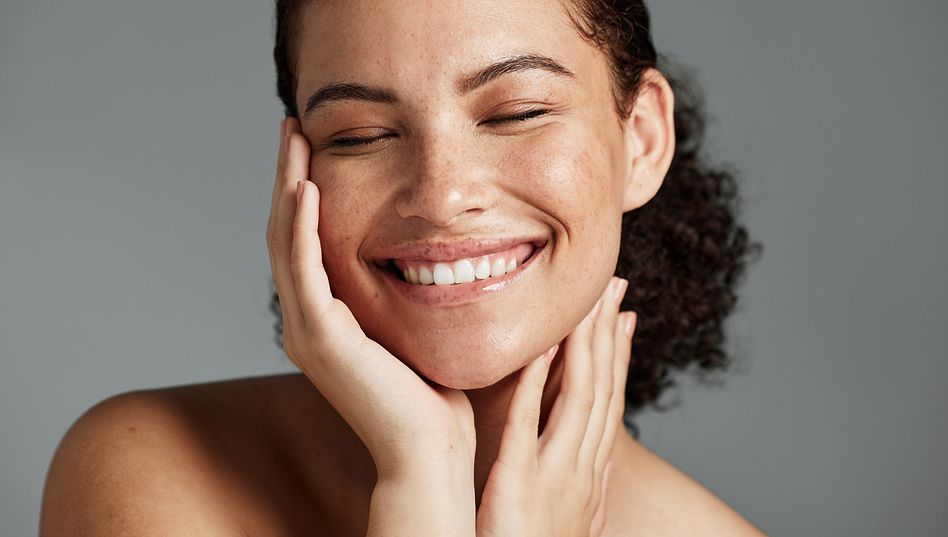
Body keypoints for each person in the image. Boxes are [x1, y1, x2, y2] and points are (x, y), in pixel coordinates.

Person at [40, 0, 763, 535]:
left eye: (514, 112)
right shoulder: (148, 472)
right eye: (360, 135)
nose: (441, 196)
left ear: (640, 140)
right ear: (300, 167)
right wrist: (419, 478)